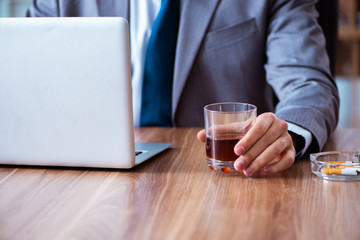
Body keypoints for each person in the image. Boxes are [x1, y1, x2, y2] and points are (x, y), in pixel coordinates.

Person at [26, 0, 339, 176]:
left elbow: (309, 83)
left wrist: (289, 134)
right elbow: (26, 77)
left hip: (223, 174)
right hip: (90, 174)